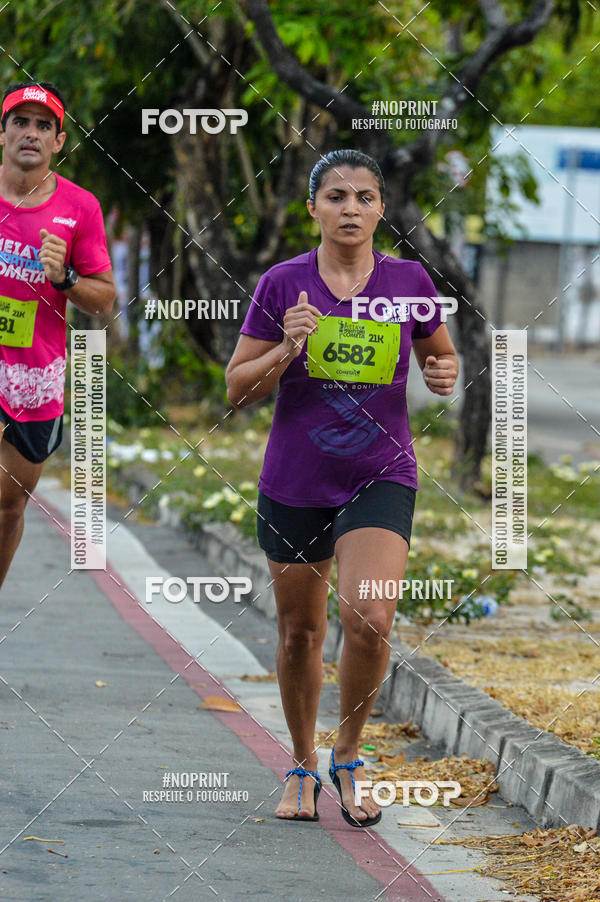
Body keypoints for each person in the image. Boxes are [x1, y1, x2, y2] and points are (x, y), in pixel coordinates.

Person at [225, 149, 458, 826]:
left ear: (382, 209)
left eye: (363, 196)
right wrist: (283, 350)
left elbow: (437, 352)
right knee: (300, 632)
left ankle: (348, 754)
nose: (349, 208)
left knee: (370, 617)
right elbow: (236, 391)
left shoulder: (410, 280)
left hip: (381, 472)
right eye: (335, 197)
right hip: (296, 477)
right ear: (313, 209)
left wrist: (442, 373)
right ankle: (300, 764)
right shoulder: (282, 284)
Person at [0, 81, 116, 589]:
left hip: (36, 373)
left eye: (43, 126)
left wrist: (65, 278)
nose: (31, 133)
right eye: (20, 122)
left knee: (8, 506)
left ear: (58, 141)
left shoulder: (80, 207)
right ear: (1, 132)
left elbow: (104, 297)